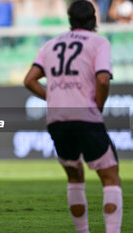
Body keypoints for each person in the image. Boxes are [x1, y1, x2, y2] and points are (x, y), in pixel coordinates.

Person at [24, 1, 122, 233]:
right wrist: (98, 104)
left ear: (70, 20)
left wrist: (53, 98)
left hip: (57, 119)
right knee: (110, 177)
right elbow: (103, 80)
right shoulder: (99, 42)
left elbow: (29, 80)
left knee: (75, 176)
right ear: (94, 19)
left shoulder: (51, 44)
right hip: (85, 115)